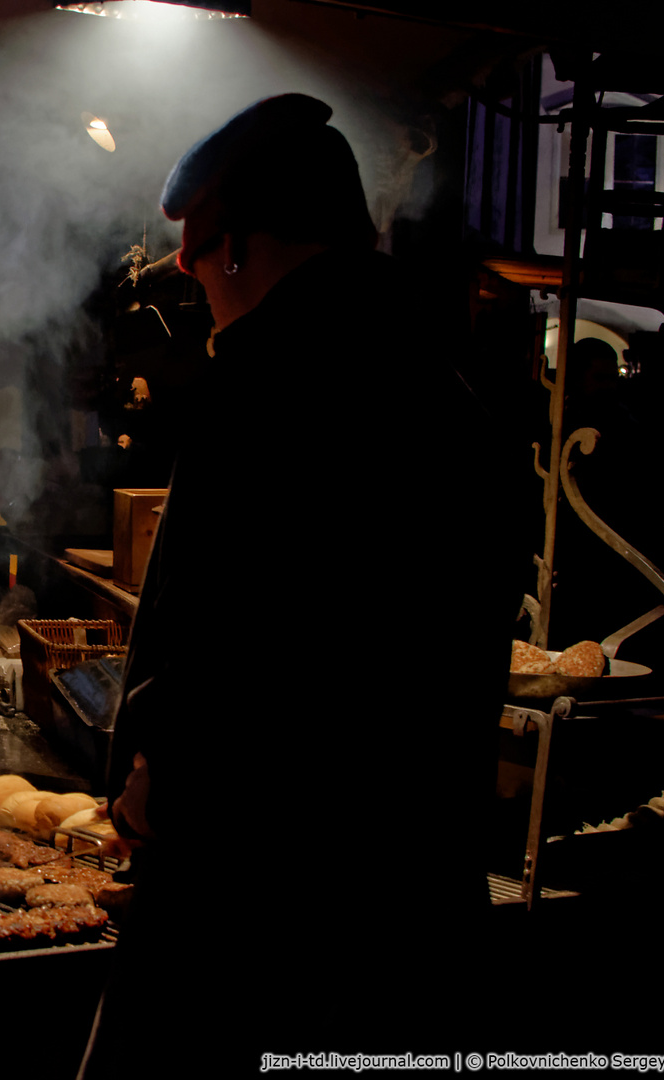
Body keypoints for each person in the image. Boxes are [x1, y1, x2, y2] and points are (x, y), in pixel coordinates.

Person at [77, 95, 525, 1074]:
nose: (200, 304)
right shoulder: (454, 399)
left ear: (231, 248)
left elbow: (239, 641)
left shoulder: (264, 389)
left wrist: (154, 786)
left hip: (258, 922)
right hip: (414, 916)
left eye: (197, 278)